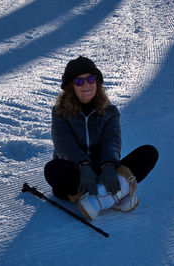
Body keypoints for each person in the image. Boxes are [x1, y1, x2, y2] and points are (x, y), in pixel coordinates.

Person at [44, 56, 159, 220]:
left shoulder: (109, 111)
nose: (86, 84)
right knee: (52, 170)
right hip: (77, 173)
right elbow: (64, 145)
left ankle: (99, 198)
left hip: (104, 170)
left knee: (149, 153)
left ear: (97, 82)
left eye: (91, 79)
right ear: (71, 86)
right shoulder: (60, 112)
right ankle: (117, 192)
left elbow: (111, 141)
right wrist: (83, 166)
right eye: (79, 81)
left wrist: (108, 166)